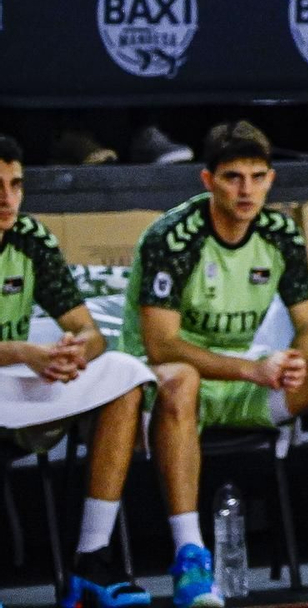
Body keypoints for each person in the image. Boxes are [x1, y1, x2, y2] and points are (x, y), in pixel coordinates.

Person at [122, 122, 308, 606]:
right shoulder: (172, 237)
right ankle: (190, 557)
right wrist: (252, 368)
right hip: (165, 389)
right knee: (179, 379)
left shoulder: (279, 232)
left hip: (245, 378)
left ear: (271, 178)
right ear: (207, 181)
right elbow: (161, 346)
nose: (246, 190)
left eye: (257, 176)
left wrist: (295, 361)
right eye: (232, 177)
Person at [0, 141, 157, 608]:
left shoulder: (30, 238)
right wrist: (23, 351)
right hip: (12, 365)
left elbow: (90, 331)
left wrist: (73, 352)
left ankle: (92, 557)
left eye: (15, 185)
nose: (7, 199)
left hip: (14, 380)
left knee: (126, 374)